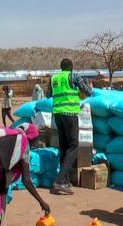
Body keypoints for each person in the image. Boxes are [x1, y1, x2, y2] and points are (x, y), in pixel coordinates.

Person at [47, 58, 92, 194]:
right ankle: (59, 180)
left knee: (63, 146)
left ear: (61, 67)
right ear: (71, 67)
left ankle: (65, 180)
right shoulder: (74, 76)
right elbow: (88, 91)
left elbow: (48, 95)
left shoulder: (54, 78)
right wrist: (88, 87)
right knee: (73, 146)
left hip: (58, 115)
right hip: (70, 114)